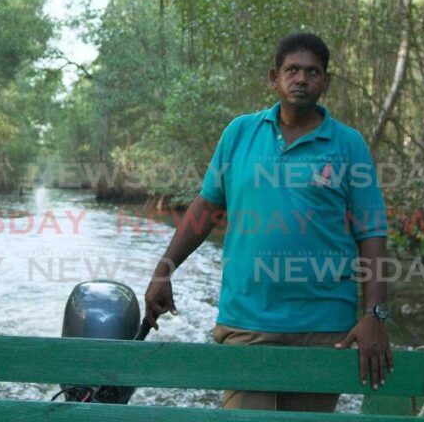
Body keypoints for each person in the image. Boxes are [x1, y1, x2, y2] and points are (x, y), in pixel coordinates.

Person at [144, 32, 392, 413]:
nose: (302, 79)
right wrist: (164, 270)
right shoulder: (240, 133)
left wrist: (375, 315)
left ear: (325, 82)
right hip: (247, 320)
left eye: (313, 72)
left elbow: (371, 233)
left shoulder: (348, 145)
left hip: (324, 326)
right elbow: (205, 210)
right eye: (292, 70)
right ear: (274, 77)